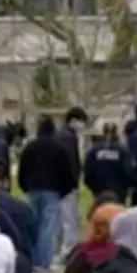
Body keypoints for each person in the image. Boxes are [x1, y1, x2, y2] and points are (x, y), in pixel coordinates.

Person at [17, 115, 73, 272]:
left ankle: (33, 259)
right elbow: (67, 173)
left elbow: (23, 170)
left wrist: (25, 186)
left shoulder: (30, 147)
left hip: (33, 189)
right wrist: (64, 190)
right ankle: (44, 261)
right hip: (52, 190)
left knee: (33, 225)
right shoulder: (59, 148)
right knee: (48, 227)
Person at [56, 106, 89, 261]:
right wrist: (73, 179)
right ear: (73, 121)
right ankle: (69, 250)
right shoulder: (69, 137)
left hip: (62, 182)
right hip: (68, 184)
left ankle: (63, 249)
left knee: (64, 217)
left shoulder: (63, 135)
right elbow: (71, 160)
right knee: (70, 218)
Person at [83, 121, 136, 203]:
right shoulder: (122, 150)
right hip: (118, 192)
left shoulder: (94, 150)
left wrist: (94, 188)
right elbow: (129, 171)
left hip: (99, 192)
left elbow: (87, 172)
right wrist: (126, 188)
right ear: (116, 132)